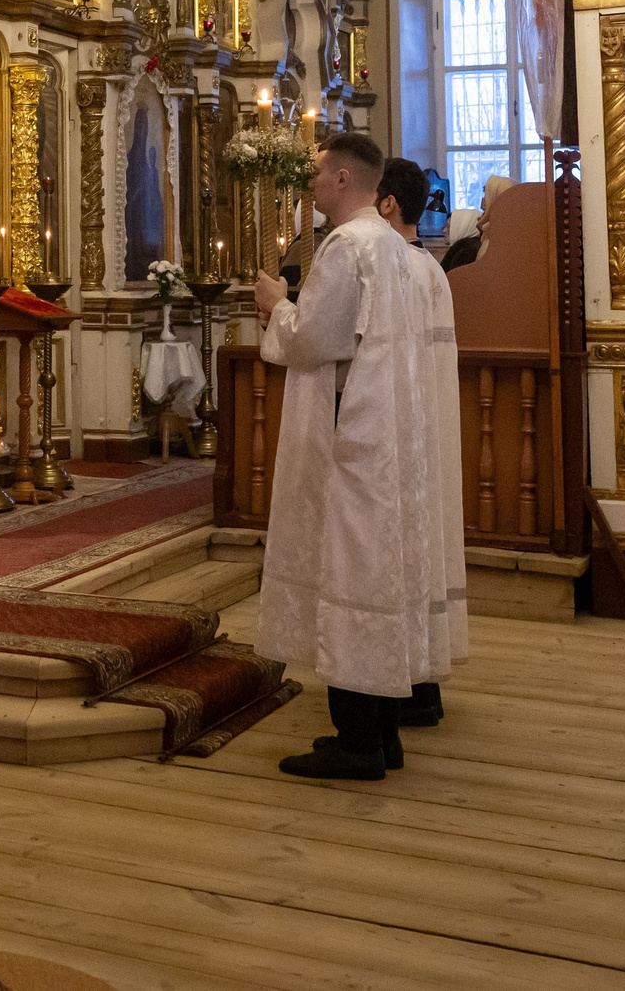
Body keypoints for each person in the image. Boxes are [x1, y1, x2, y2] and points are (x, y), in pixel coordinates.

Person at [253, 133, 465, 780]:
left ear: (344, 179)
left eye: (319, 174)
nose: (313, 183)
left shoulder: (347, 247)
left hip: (352, 440)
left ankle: (360, 741)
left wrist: (277, 305)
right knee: (371, 572)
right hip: (385, 435)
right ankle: (377, 732)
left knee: (351, 572)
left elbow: (316, 338)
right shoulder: (399, 251)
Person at [374, 157, 466, 732]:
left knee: (403, 552)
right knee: (425, 546)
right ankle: (422, 683)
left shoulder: (394, 269)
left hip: (401, 435)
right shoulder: (429, 267)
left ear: (387, 204)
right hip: (429, 431)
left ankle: (407, 681)